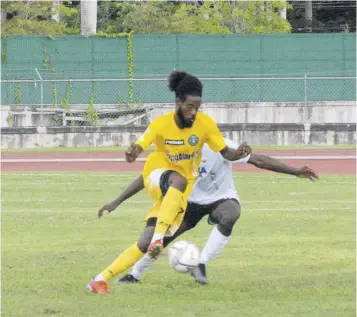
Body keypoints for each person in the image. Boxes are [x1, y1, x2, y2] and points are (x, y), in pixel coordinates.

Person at [88, 71, 252, 295]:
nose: (194, 112)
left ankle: (99, 279)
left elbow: (227, 154)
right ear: (178, 102)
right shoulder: (160, 124)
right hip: (157, 175)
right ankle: (159, 239)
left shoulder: (205, 125)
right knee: (178, 179)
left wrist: (238, 153)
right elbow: (139, 146)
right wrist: (132, 154)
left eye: (197, 107)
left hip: (177, 193)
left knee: (144, 243)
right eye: (189, 107)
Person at [97, 138, 319, 286]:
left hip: (220, 198)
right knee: (159, 239)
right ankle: (135, 274)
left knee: (230, 213)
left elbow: (258, 160)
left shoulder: (219, 145)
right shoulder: (175, 151)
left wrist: (295, 171)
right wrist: (116, 201)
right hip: (188, 201)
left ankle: (200, 264)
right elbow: (148, 177)